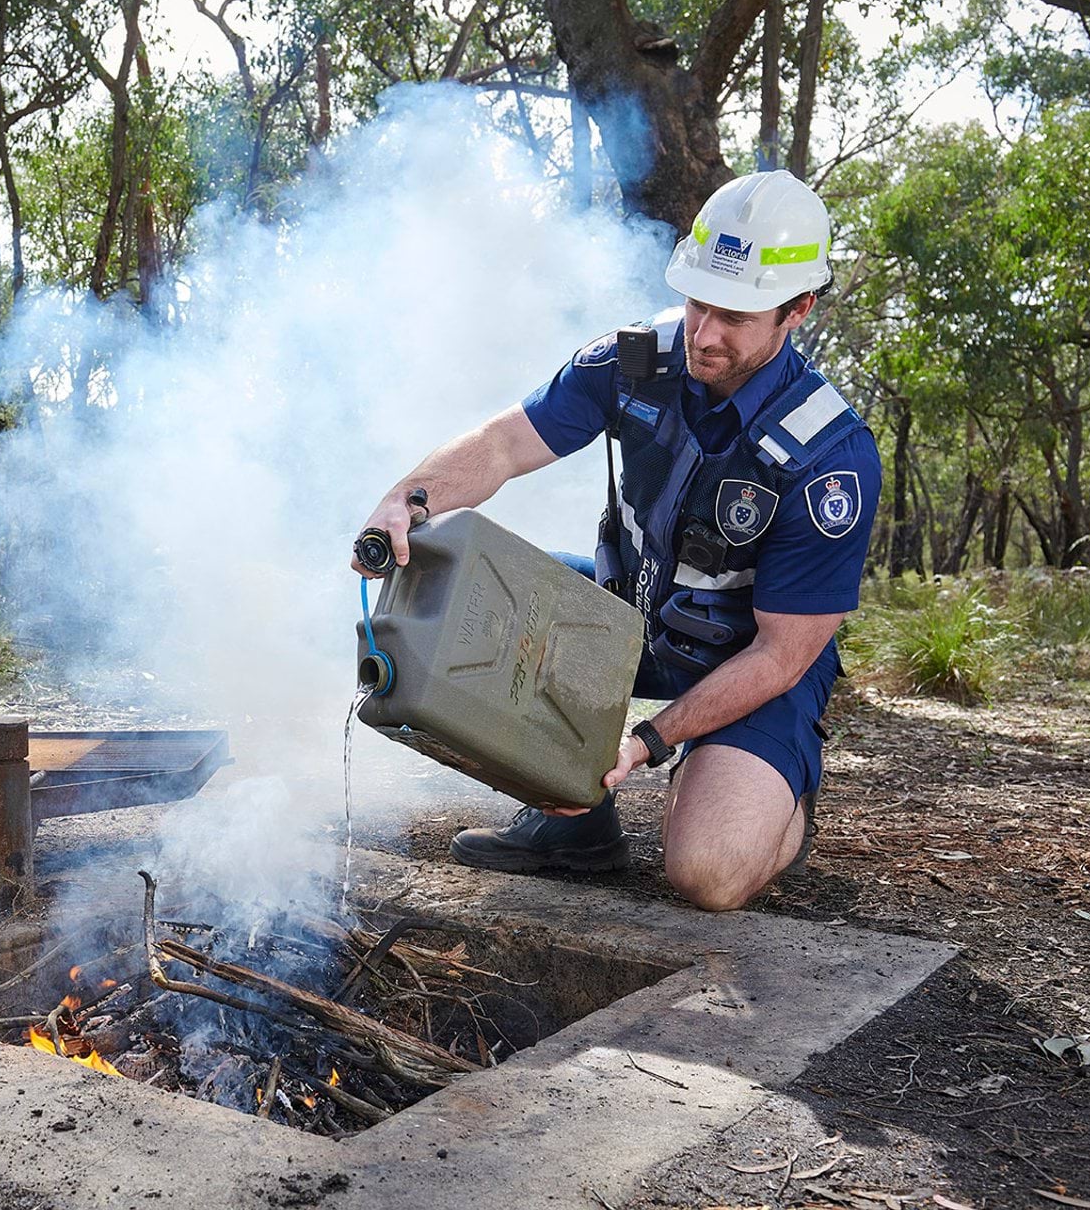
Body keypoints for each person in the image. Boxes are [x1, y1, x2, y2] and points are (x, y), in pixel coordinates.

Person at [352, 170, 880, 912]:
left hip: (750, 659)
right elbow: (504, 445)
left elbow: (781, 654)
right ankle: (575, 828)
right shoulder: (634, 361)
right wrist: (402, 502)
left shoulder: (832, 459)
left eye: (735, 315)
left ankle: (779, 801)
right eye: (698, 302)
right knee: (442, 610)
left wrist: (650, 740)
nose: (704, 334)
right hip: (626, 614)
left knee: (708, 874)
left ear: (797, 310)